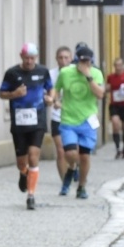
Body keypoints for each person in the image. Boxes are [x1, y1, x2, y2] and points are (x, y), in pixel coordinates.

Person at [0, 42, 54, 210]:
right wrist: (15, 94)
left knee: (33, 156)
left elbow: (50, 89)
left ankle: (31, 195)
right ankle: (23, 173)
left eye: (32, 58)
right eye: (26, 58)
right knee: (21, 162)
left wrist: (50, 98)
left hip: (38, 121)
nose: (29, 61)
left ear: (36, 58)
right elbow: (2, 93)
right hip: (19, 122)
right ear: (21, 56)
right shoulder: (12, 73)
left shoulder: (43, 72)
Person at [52, 43, 105, 199]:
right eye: (82, 61)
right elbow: (56, 89)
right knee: (70, 153)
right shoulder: (66, 73)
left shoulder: (96, 73)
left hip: (87, 121)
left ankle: (81, 186)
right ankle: (72, 167)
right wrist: (55, 99)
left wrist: (88, 76)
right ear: (76, 60)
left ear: (91, 61)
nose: (84, 64)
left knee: (85, 156)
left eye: (87, 61)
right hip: (69, 119)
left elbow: (100, 94)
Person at [49, 46, 75, 182]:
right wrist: (53, 100)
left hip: (74, 117)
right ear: (56, 59)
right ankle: (65, 182)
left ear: (71, 58)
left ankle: (73, 167)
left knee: (73, 151)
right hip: (57, 117)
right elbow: (47, 92)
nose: (63, 60)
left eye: (66, 57)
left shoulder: (77, 73)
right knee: (60, 150)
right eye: (60, 58)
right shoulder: (51, 74)